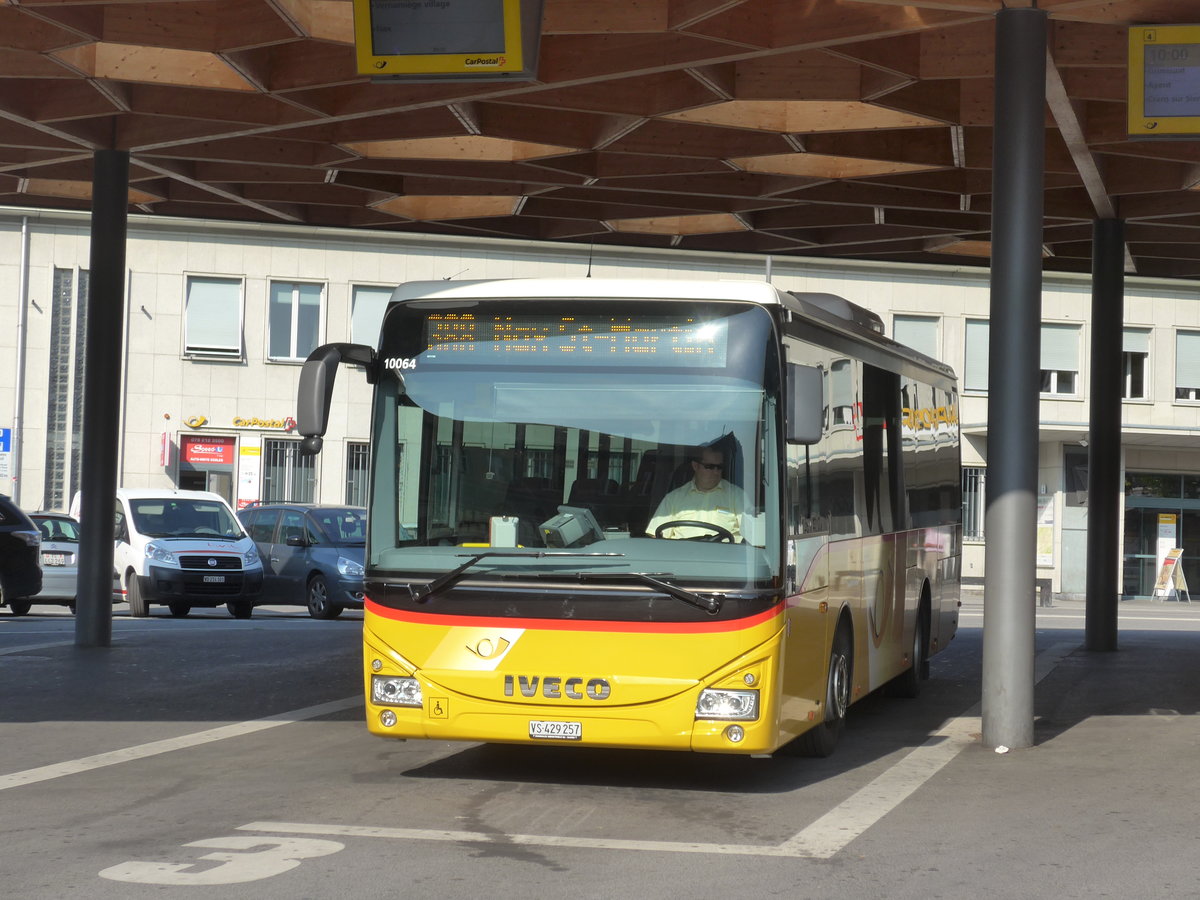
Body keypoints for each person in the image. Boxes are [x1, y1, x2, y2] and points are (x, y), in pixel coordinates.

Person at [646, 445, 748, 541]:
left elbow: (753, 537)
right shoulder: (674, 498)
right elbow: (656, 536)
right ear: (695, 466)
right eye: (710, 467)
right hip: (681, 555)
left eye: (719, 467)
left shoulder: (737, 496)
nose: (716, 472)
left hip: (725, 556)